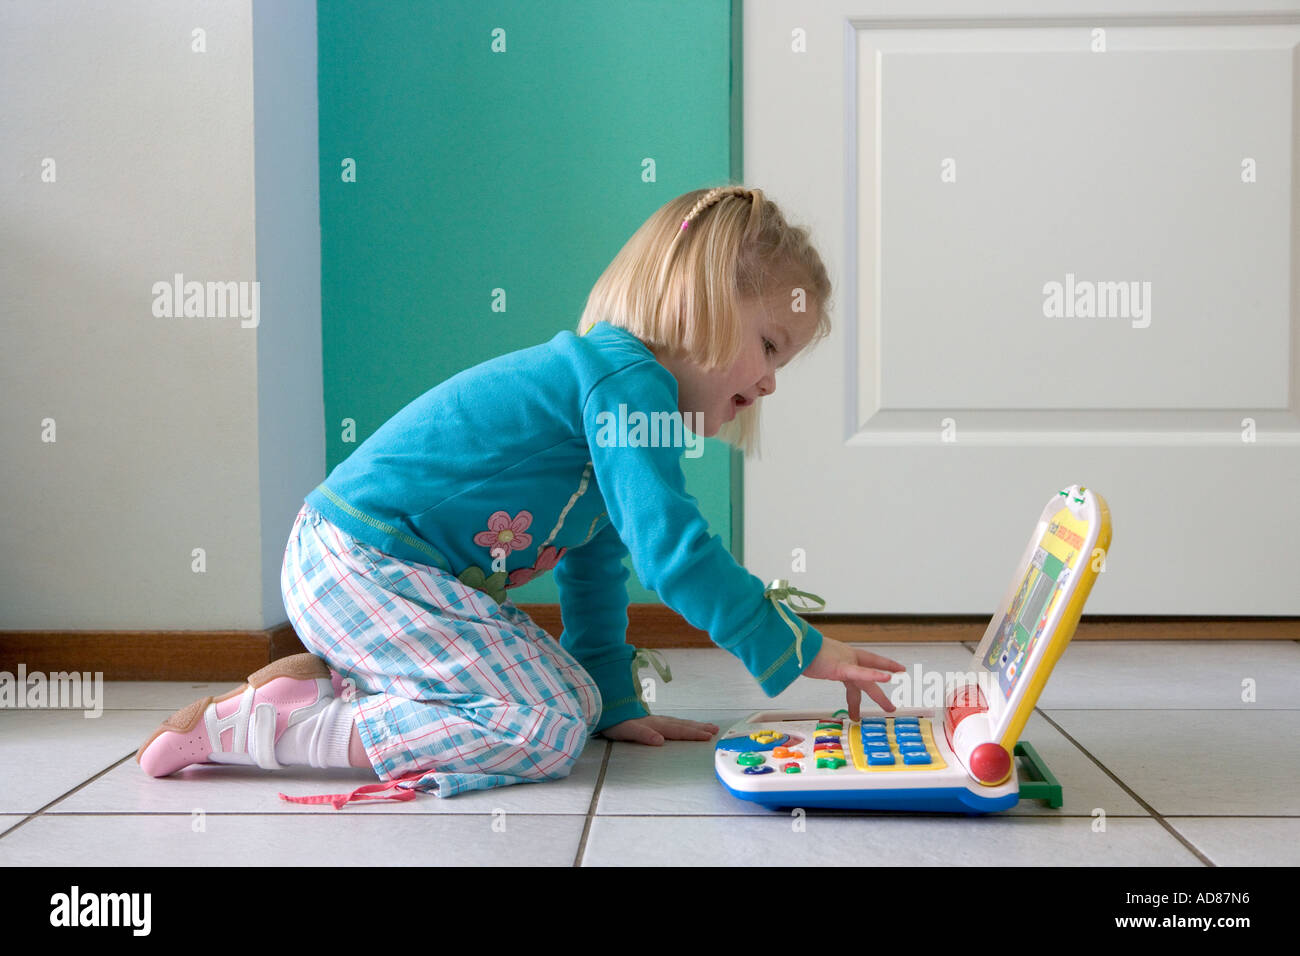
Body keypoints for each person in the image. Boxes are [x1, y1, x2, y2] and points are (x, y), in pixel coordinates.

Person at [135, 185, 904, 807]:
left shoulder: (620, 397)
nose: (770, 381)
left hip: (370, 563)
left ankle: (343, 682)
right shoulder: (625, 381)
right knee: (543, 725)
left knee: (571, 700)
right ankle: (269, 731)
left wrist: (614, 698)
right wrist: (793, 644)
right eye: (769, 346)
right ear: (695, 297)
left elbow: (598, 567)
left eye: (784, 364)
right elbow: (673, 551)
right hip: (359, 558)